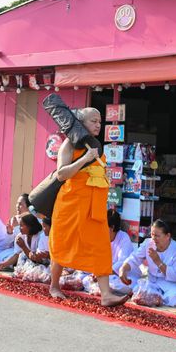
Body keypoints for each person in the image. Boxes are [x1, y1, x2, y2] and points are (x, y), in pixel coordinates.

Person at [48, 107, 128, 307]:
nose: (98, 125)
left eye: (100, 122)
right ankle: (54, 285)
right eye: (93, 121)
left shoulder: (96, 146)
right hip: (71, 206)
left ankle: (106, 294)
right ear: (81, 123)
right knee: (62, 244)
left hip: (95, 209)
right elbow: (61, 174)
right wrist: (84, 159)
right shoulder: (70, 143)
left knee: (101, 248)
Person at [120, 219, 176, 306]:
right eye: (152, 234)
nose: (153, 238)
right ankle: (156, 298)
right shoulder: (148, 243)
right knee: (135, 289)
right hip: (153, 283)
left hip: (171, 285)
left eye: (157, 236)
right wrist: (123, 268)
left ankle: (158, 298)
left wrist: (157, 261)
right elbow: (135, 258)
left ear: (168, 236)